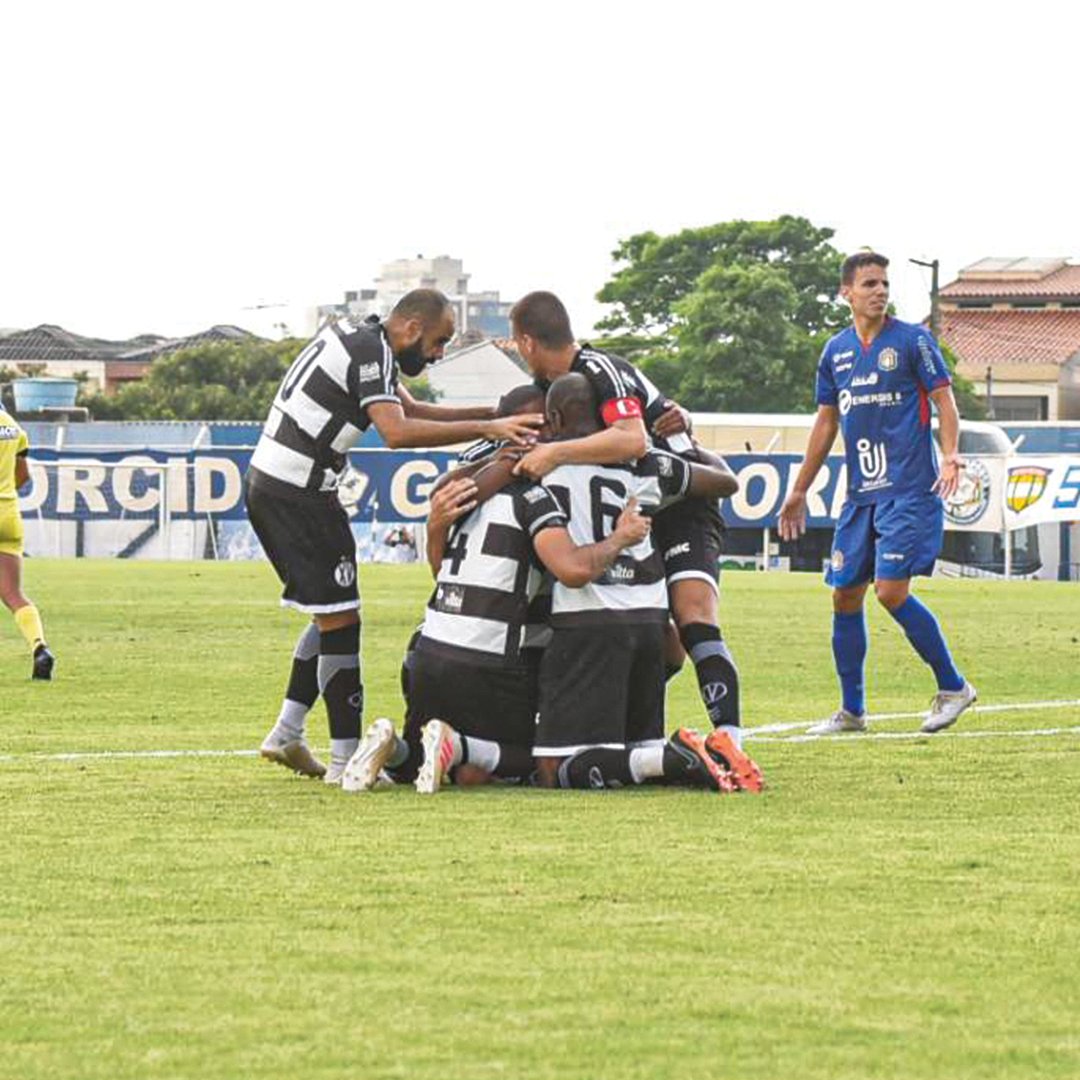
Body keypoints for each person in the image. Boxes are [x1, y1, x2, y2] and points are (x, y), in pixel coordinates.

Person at [246, 289, 543, 784]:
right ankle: (343, 762)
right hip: (297, 491)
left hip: (283, 484)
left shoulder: (366, 341)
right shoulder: (371, 353)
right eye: (438, 342)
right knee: (342, 622)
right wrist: (492, 424)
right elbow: (398, 432)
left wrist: (492, 419)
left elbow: (413, 409)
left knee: (332, 612)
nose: (438, 354)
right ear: (410, 328)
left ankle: (287, 731)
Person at [340, 380, 653, 794]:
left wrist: (435, 526)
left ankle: (395, 748)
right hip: (488, 665)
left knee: (442, 769)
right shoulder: (538, 492)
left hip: (427, 653)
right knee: (547, 758)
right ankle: (463, 746)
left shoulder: (464, 488)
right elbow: (572, 569)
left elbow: (441, 568)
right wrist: (621, 538)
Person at [508, 291, 750, 760]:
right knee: (653, 636)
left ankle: (733, 745)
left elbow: (632, 438)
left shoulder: (602, 369)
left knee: (693, 620)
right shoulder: (568, 384)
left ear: (527, 343)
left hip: (684, 497)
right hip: (643, 503)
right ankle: (620, 722)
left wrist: (553, 453)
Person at [527, 374, 759, 792]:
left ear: (554, 418)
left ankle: (675, 756)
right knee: (631, 752)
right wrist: (687, 432)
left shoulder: (544, 467)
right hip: (651, 625)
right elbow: (724, 480)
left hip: (589, 622)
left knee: (551, 768)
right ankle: (675, 757)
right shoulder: (648, 464)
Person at [777, 251, 976, 735]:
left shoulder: (913, 341)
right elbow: (826, 423)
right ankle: (851, 712)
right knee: (845, 596)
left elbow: (944, 401)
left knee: (889, 592)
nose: (880, 291)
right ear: (847, 292)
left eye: (884, 283)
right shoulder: (835, 352)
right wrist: (798, 490)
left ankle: (954, 687)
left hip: (909, 490)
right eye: (869, 284)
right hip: (861, 495)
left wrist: (950, 454)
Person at [0, 405, 54, 679]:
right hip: (8, 515)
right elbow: (22, 476)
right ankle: (39, 646)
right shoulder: (13, 426)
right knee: (13, 594)